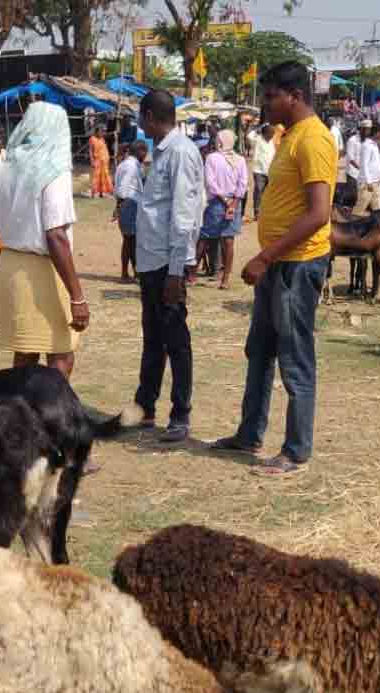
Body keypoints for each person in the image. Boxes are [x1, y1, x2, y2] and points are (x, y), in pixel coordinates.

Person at [211, 61, 335, 477]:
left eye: (270, 96)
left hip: (296, 267)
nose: (265, 104)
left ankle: (296, 450)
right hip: (277, 266)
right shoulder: (288, 136)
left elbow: (319, 214)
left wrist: (265, 257)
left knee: (295, 358)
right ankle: (249, 433)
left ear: (294, 96)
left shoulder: (314, 140)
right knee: (259, 351)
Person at [0, 102, 88, 379]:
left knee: (24, 353)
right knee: (61, 353)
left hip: (10, 266)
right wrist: (77, 297)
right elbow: (55, 234)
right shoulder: (53, 170)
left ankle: (22, 418)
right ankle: (52, 419)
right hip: (43, 269)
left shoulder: (4, 168)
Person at [127, 89, 202, 443]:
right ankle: (145, 404)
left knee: (176, 340)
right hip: (150, 260)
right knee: (153, 337)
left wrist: (176, 271)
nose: (139, 125)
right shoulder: (161, 152)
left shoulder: (181, 153)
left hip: (166, 264)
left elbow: (184, 216)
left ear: (150, 117)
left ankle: (181, 413)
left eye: (140, 118)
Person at [200, 128, 247, 290]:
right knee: (229, 241)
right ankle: (225, 278)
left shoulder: (211, 158)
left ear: (220, 142)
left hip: (216, 202)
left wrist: (225, 201)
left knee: (205, 236)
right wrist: (233, 203)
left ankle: (191, 274)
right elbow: (243, 185)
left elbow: (210, 183)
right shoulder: (240, 160)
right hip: (234, 202)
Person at [114, 139, 147, 282]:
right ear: (140, 151)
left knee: (131, 240)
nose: (146, 155)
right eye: (145, 152)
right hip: (130, 204)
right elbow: (123, 188)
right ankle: (127, 273)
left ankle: (134, 272)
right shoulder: (131, 166)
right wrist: (121, 205)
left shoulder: (127, 164)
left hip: (127, 204)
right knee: (130, 240)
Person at [352, 120, 380, 217]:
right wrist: (369, 182)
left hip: (377, 182)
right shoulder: (366, 145)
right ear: (377, 133)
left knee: (379, 210)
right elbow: (364, 165)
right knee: (359, 210)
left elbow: (379, 158)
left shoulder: (374, 145)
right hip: (367, 183)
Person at [248, 124, 275, 222]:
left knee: (267, 192)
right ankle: (257, 212)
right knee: (259, 191)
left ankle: (266, 211)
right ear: (264, 133)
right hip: (259, 171)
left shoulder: (272, 142)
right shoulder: (258, 140)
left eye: (273, 133)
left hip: (270, 171)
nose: (272, 135)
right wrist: (258, 128)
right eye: (270, 133)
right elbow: (249, 135)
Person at [89, 125, 114, 198]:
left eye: (104, 131)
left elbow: (104, 149)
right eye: (101, 131)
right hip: (97, 160)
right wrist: (92, 160)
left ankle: (102, 192)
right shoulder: (92, 139)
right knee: (96, 177)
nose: (103, 132)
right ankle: (93, 193)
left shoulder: (102, 139)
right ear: (97, 131)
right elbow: (90, 150)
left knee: (105, 176)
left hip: (104, 161)